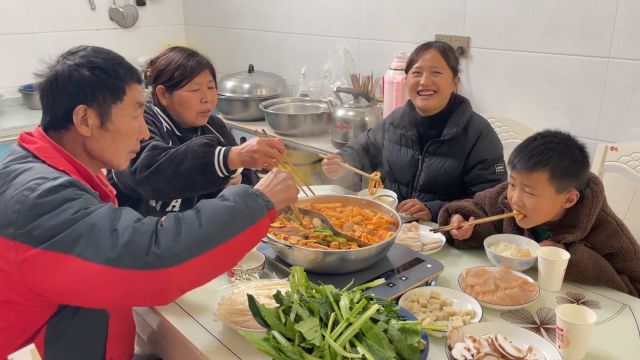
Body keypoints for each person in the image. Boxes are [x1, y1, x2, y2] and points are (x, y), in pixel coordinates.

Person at [0, 45, 298, 359]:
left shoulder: (40, 165)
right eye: (135, 114)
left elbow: (82, 301)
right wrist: (258, 201)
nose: (144, 133)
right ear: (85, 120)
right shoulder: (39, 198)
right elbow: (154, 257)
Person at [439, 130, 640, 296]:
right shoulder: (505, 198)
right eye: (512, 183)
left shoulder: (606, 228)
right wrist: (463, 221)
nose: (514, 198)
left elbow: (635, 285)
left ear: (569, 199)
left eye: (528, 191)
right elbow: (474, 206)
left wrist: (569, 259)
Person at [322, 41, 506, 222]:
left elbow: (490, 203)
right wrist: (341, 161)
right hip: (386, 226)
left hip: (443, 239)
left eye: (436, 73)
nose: (424, 81)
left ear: (455, 82)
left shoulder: (479, 134)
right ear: (407, 79)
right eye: (416, 73)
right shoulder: (396, 120)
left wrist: (433, 210)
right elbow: (361, 150)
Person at [108, 46, 284, 216]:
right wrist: (228, 158)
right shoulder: (141, 123)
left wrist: (237, 180)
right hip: (141, 237)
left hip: (192, 237)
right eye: (194, 89)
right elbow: (146, 173)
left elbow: (247, 182)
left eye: (211, 87)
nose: (207, 99)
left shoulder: (214, 126)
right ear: (163, 95)